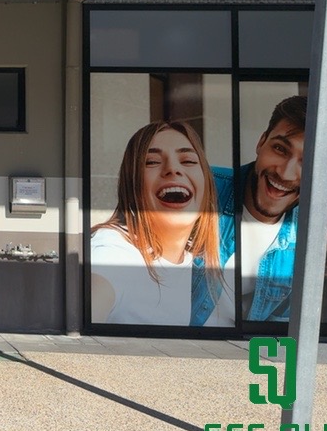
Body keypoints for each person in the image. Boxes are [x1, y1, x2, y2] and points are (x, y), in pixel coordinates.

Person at [191, 95, 327, 325]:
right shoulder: (199, 188)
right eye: (280, 149)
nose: (285, 173)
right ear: (261, 142)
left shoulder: (306, 237)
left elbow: (279, 327)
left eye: (308, 162)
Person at [91, 121, 226, 325]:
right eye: (152, 162)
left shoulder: (196, 261)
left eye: (188, 161)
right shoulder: (114, 250)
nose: (173, 169)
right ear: (132, 185)